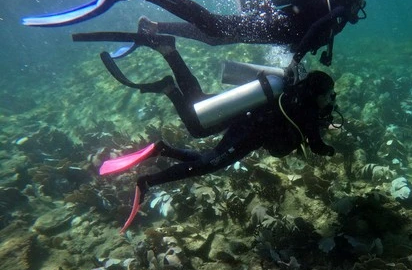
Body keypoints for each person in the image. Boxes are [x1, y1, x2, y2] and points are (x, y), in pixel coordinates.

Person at [83, 31, 340, 232]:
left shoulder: (299, 99)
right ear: (316, 94)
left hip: (245, 117)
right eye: (328, 95)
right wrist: (331, 150)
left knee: (199, 121)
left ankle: (168, 63)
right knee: (207, 161)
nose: (331, 100)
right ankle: (147, 181)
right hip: (248, 132)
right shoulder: (307, 110)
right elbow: (316, 145)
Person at [22, 0, 366, 69]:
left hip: (268, 24)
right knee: (212, 23)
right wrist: (296, 61)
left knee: (213, 36)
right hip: (268, 25)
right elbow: (317, 26)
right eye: (358, 6)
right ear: (354, 0)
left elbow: (315, 26)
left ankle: (153, 27)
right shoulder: (337, 6)